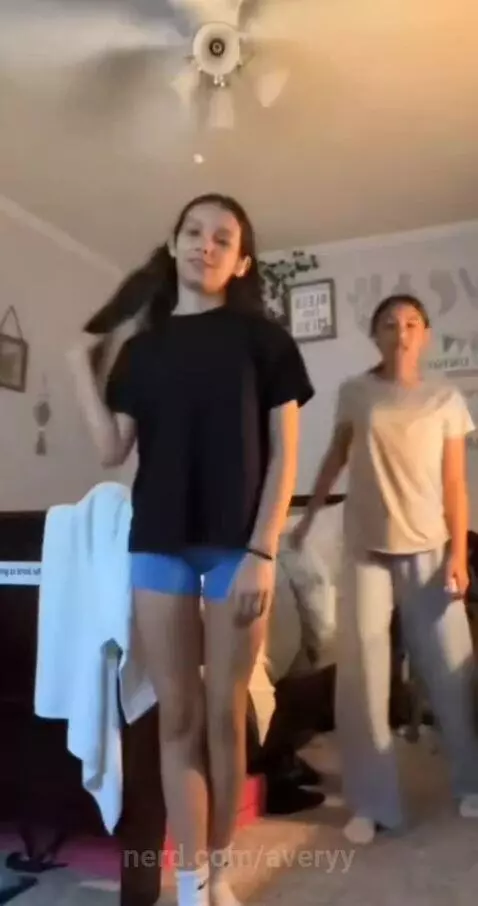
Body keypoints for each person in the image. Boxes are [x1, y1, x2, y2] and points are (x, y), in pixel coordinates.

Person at [67, 194, 314, 906]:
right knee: (176, 718)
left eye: (223, 237)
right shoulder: (142, 351)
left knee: (223, 717)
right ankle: (191, 878)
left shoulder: (264, 341)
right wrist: (80, 365)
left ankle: (221, 867)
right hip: (158, 544)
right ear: (175, 245)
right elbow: (112, 449)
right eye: (194, 232)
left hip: (238, 548)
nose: (207, 244)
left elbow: (284, 455)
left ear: (241, 261)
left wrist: (264, 552)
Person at [291, 294, 478, 845]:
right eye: (390, 324)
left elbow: (454, 483)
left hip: (429, 548)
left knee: (452, 668)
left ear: (425, 335)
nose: (402, 332)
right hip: (365, 548)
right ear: (375, 335)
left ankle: (471, 780)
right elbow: (335, 457)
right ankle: (373, 803)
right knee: (363, 677)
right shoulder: (355, 392)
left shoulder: (445, 398)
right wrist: (307, 516)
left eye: (412, 323)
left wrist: (459, 555)